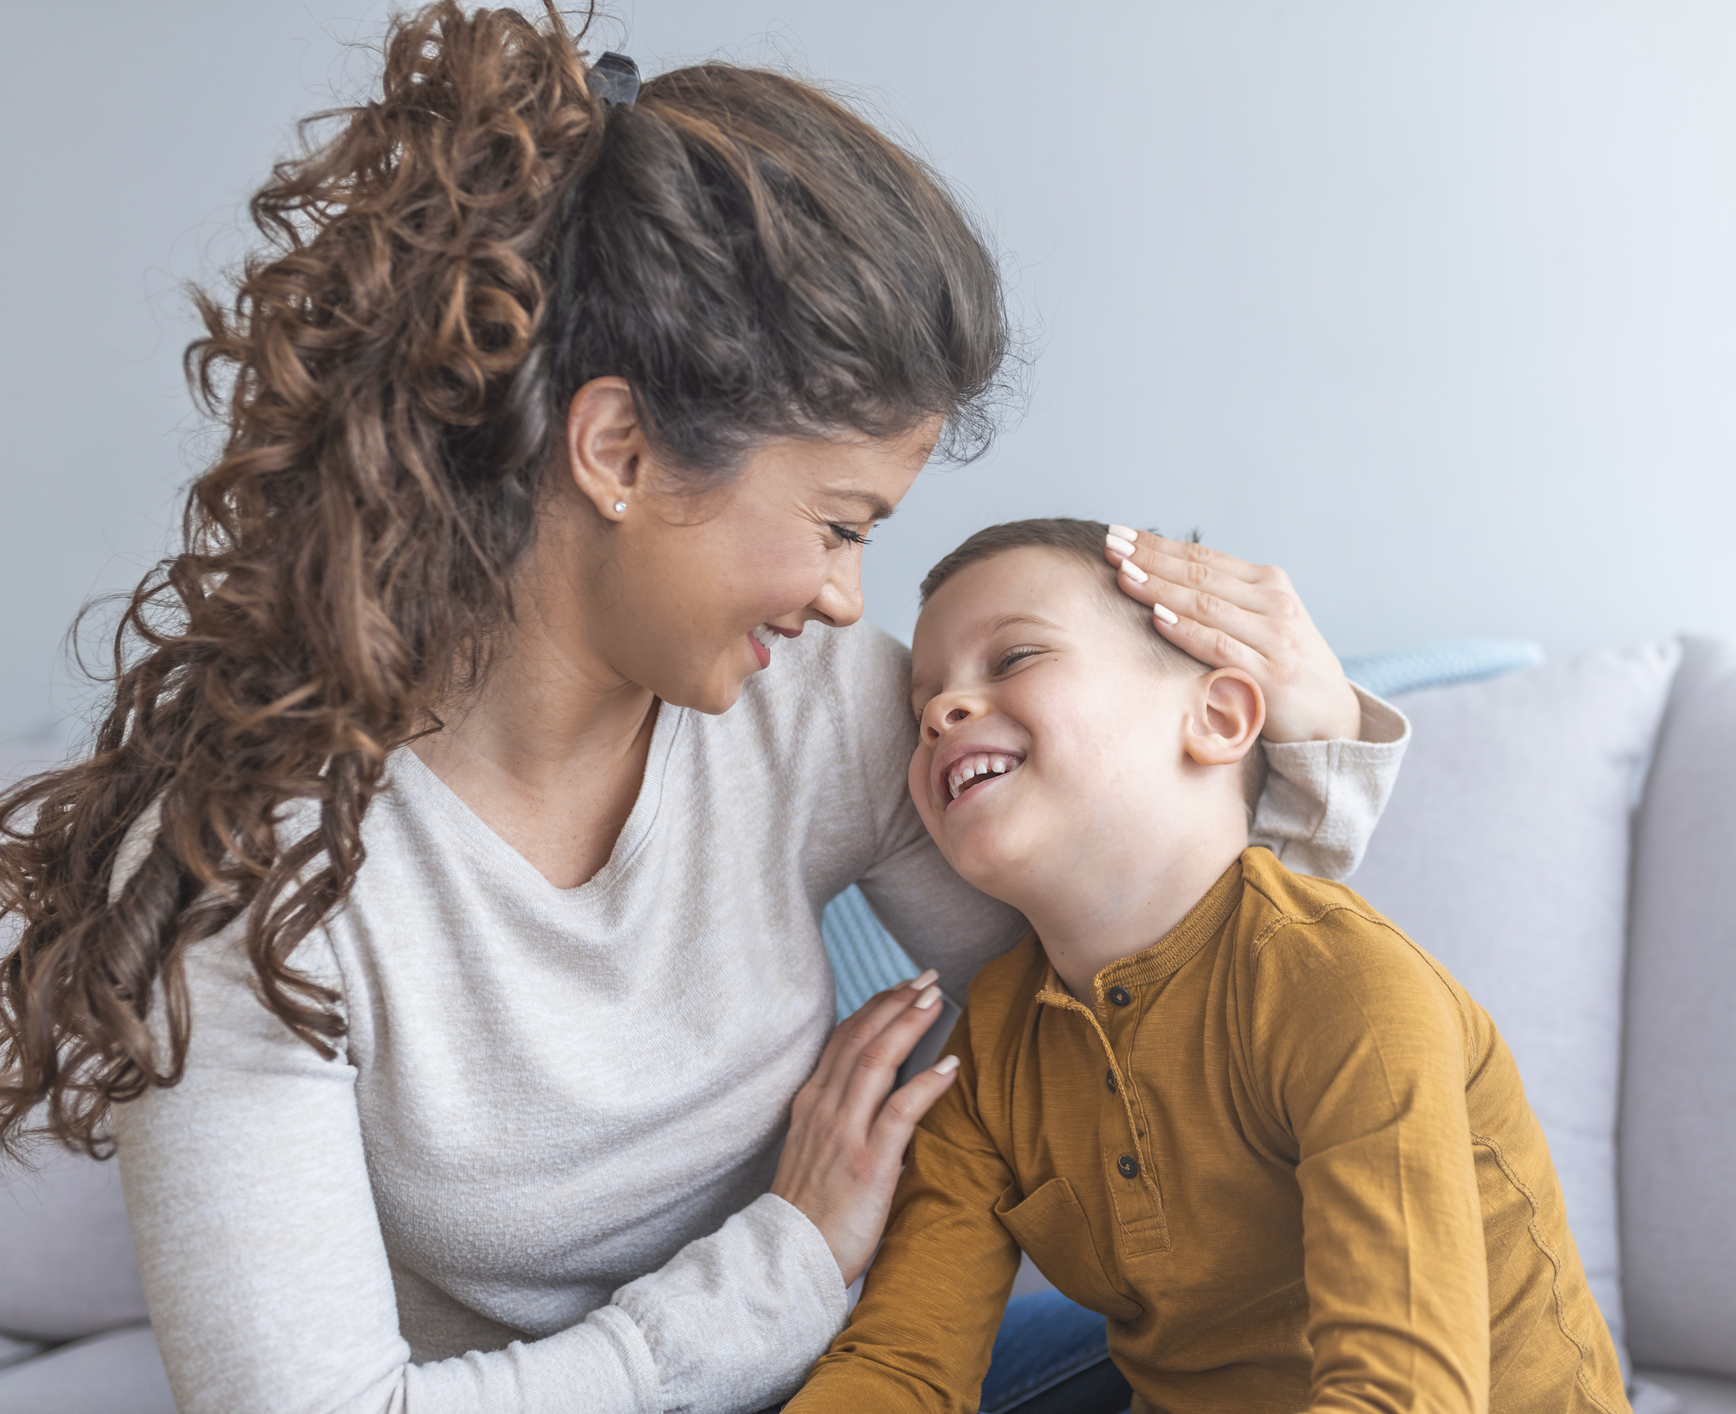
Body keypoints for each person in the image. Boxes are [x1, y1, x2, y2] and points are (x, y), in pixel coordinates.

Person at [0, 8, 1410, 1413]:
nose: (853, 600)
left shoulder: (810, 708)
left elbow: (1139, 1036)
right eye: (840, 523)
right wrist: (782, 1263)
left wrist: (1309, 765)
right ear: (616, 450)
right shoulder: (254, 871)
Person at [786, 519, 1630, 1414]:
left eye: (1013, 658)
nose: (940, 712)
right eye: (924, 703)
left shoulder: (1340, 988)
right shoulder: (993, 1049)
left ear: (1218, 718)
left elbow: (1401, 1395)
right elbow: (902, 1369)